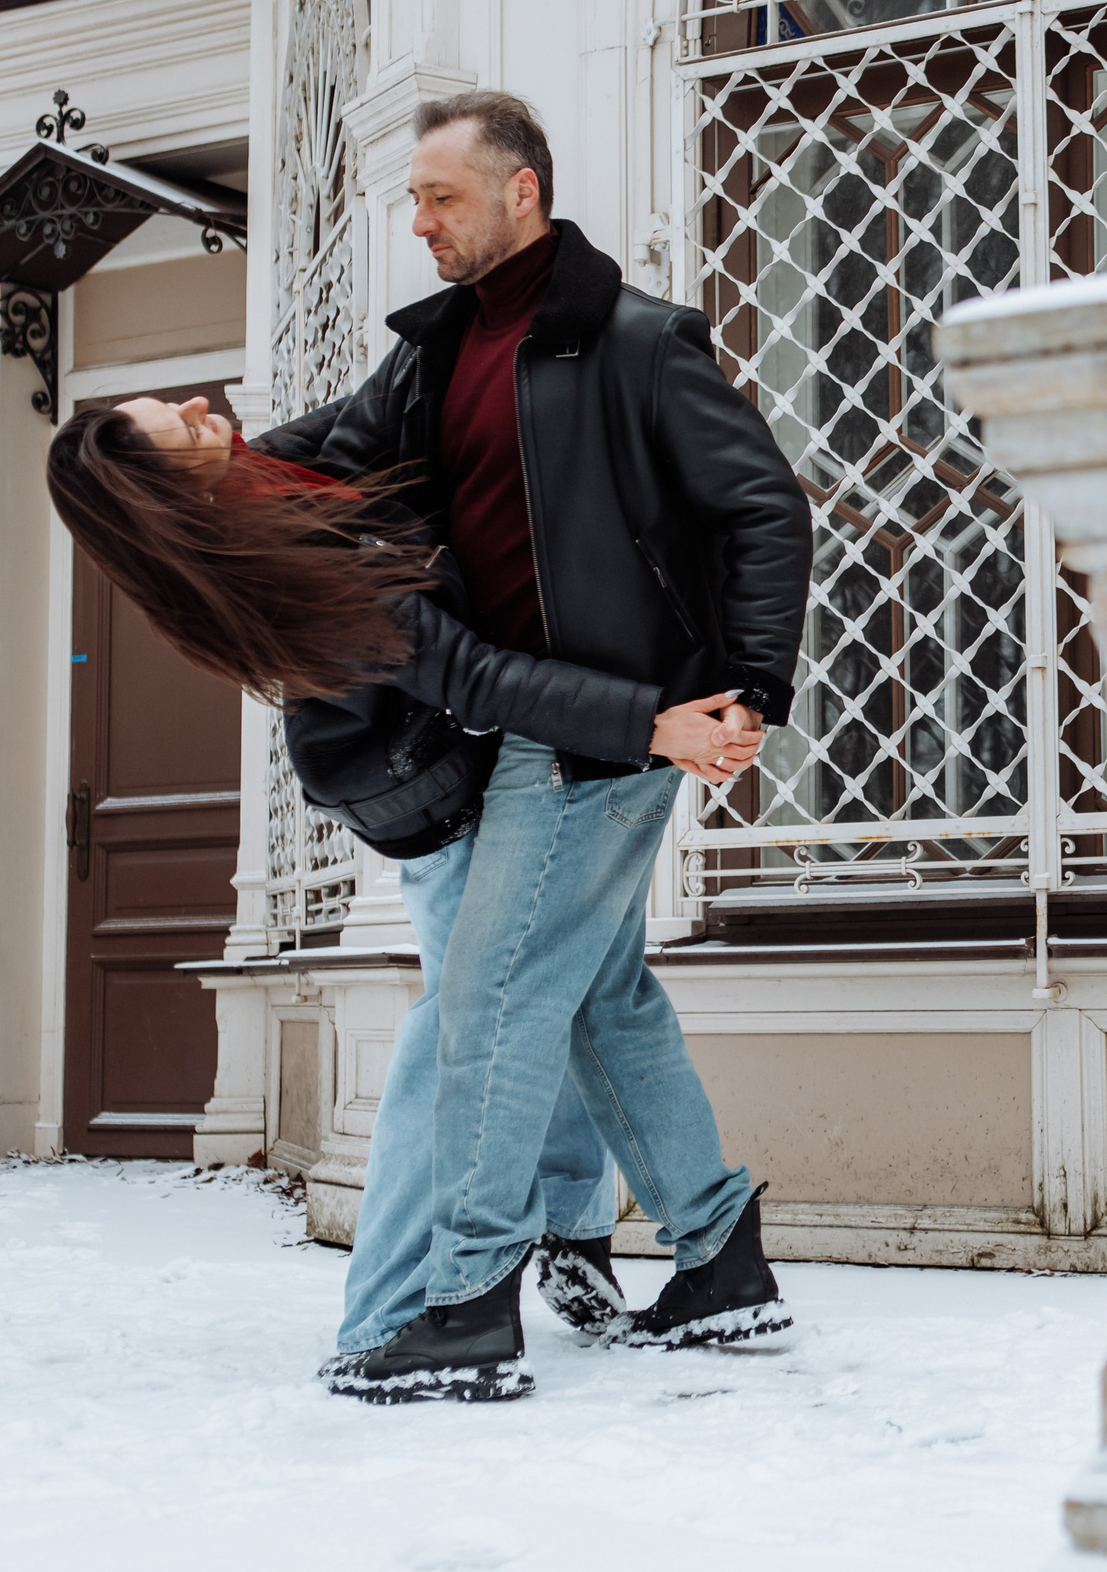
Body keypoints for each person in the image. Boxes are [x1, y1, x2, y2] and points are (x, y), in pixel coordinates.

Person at [44, 391, 785, 1399]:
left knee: (588, 997)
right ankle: (406, 1310)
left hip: (487, 773)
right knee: (475, 1028)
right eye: (176, 422)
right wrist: (649, 726)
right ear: (170, 487)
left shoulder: (272, 468)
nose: (200, 403)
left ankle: (695, 1254)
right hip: (453, 803)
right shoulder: (290, 552)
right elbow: (472, 675)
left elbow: (407, 385)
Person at [254, 89, 814, 1400]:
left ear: (522, 194)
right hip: (520, 719)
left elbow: (765, 512)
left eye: (441, 196)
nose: (420, 221)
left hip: (607, 733)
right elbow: (328, 463)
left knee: (494, 1008)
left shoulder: (632, 343)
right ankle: (721, 1258)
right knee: (600, 1000)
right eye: (415, 199)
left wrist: (749, 690)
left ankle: (463, 1303)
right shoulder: (434, 355)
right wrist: (193, 465)